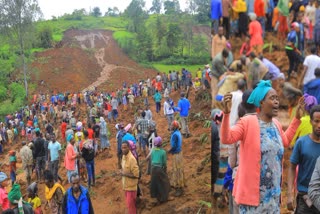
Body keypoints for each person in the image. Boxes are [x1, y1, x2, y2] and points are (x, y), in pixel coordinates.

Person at [221, 80, 303, 212]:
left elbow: (285, 141)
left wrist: (297, 119)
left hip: (273, 196)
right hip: (253, 199)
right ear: (261, 103)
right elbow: (227, 138)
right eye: (272, 98)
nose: (277, 101)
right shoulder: (247, 122)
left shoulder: (276, 124)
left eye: (277, 98)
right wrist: (226, 114)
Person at [287, 105, 320, 213]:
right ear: (311, 122)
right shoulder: (301, 142)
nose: (319, 125)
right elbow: (292, 167)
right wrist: (290, 195)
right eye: (316, 121)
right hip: (305, 198)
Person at [210, 109, 228, 209]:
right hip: (223, 158)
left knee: (220, 179)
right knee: (221, 179)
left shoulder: (215, 127)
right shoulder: (221, 127)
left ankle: (220, 198)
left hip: (221, 159)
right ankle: (221, 198)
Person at [149, 136, 171, 204]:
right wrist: (165, 169)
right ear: (161, 143)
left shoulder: (152, 151)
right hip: (159, 169)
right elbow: (164, 163)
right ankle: (164, 197)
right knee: (164, 182)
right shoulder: (163, 152)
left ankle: (156, 197)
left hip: (153, 169)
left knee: (155, 183)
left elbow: (151, 160)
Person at [121, 141, 139, 214]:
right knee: (130, 206)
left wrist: (124, 174)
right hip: (126, 186)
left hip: (131, 188)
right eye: (122, 148)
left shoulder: (132, 159)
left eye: (125, 147)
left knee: (131, 207)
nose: (123, 149)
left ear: (129, 148)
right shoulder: (123, 157)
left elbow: (136, 175)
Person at [168, 121, 185, 197]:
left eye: (171, 125)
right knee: (180, 169)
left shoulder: (175, 135)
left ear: (174, 126)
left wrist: (168, 151)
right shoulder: (178, 132)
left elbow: (174, 146)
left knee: (177, 170)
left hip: (176, 154)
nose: (170, 126)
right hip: (179, 153)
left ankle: (179, 188)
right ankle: (181, 183)